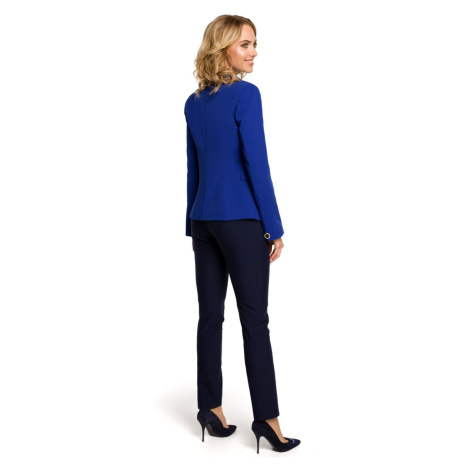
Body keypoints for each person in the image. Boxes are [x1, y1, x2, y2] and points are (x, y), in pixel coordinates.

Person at [184, 15, 301, 453]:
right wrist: (274, 226)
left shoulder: (193, 102)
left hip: (203, 220)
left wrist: (191, 222)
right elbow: (257, 163)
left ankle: (210, 409)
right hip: (240, 222)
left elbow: (193, 168)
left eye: (254, 43)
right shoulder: (246, 95)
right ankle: (268, 421)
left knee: (209, 316)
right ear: (223, 49)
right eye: (245, 44)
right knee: (255, 320)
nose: (254, 52)